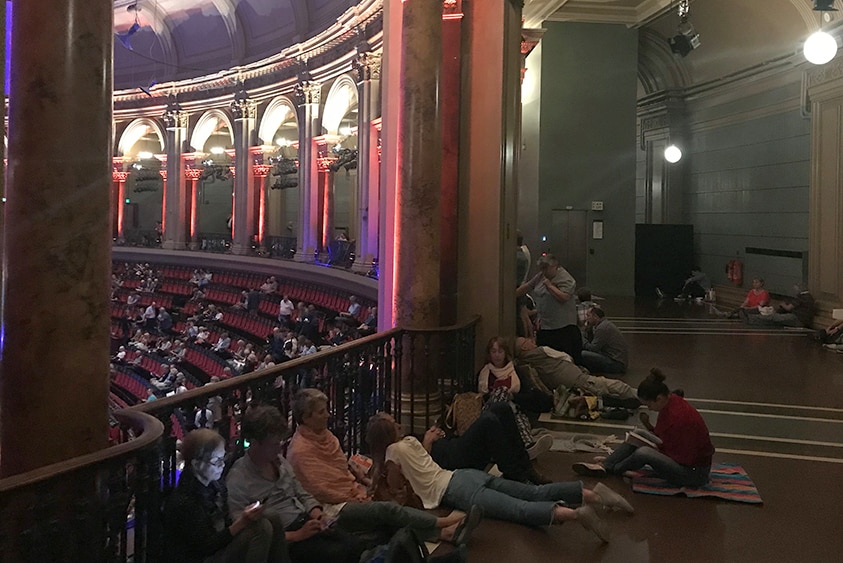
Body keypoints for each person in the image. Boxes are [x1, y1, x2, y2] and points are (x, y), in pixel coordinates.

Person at [367, 413, 634, 544]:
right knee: (530, 493)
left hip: (454, 490)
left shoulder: (392, 453)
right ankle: (594, 494)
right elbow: (422, 462)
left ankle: (577, 515)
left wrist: (370, 477)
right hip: (463, 475)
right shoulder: (412, 441)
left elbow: (393, 485)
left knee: (519, 510)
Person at [286, 390, 477, 547]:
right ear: (306, 418)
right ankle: (443, 523)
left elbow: (341, 471)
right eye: (321, 412)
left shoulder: (327, 436)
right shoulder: (300, 451)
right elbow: (320, 489)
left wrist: (359, 486)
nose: (328, 415)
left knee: (389, 513)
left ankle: (446, 533)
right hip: (333, 508)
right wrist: (353, 496)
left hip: (351, 493)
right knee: (387, 510)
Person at [227, 406, 366, 563]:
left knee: (354, 545)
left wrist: (319, 516)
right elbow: (246, 532)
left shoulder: (279, 461)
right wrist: (298, 535)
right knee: (337, 554)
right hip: (283, 539)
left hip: (305, 520)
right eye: (274, 443)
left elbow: (301, 492)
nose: (279, 447)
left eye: (281, 441)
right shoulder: (238, 479)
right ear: (254, 443)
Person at [163, 429, 289, 562]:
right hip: (202, 557)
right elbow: (206, 546)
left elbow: (224, 523)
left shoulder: (215, 485)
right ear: (196, 464)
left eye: (223, 458)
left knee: (271, 515)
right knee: (261, 528)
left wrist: (244, 517)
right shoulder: (185, 500)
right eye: (216, 461)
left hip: (219, 546)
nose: (222, 465)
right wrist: (241, 522)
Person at [573, 368, 714, 487]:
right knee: (638, 434)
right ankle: (607, 465)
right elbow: (665, 441)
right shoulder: (671, 401)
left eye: (649, 405)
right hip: (689, 463)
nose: (650, 409)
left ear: (659, 398)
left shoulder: (675, 416)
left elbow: (681, 455)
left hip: (694, 474)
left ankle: (614, 468)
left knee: (643, 453)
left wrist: (653, 451)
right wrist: (648, 428)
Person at [514, 337, 639, 406]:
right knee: (615, 386)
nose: (532, 341)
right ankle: (642, 395)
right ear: (524, 347)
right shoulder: (542, 350)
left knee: (605, 393)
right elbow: (565, 356)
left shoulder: (524, 364)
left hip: (565, 389)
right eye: (528, 341)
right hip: (578, 379)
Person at [516, 254, 581, 364]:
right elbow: (527, 286)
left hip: (563, 328)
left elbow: (564, 297)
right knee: (544, 358)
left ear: (555, 266)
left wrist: (550, 286)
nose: (544, 271)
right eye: (542, 268)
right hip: (545, 326)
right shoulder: (540, 276)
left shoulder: (566, 279)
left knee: (563, 359)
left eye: (546, 268)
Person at [581, 307, 628, 375]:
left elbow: (593, 348)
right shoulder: (605, 325)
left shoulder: (602, 328)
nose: (586, 318)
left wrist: (582, 337)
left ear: (595, 316)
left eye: (588, 315)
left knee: (583, 354)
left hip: (616, 364)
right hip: (617, 361)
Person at [744, 284, 815, 328]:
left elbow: (788, 307)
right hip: (803, 320)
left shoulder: (802, 297)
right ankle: (753, 319)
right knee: (776, 319)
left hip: (798, 319)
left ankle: (751, 318)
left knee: (774, 317)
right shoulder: (809, 297)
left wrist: (782, 304)